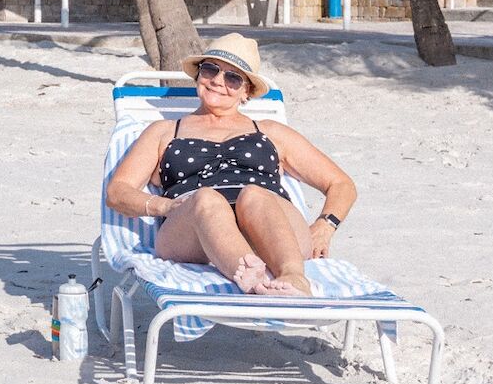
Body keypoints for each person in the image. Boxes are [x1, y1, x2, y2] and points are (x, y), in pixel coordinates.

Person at [104, 34, 355, 296]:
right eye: (210, 69)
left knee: (254, 195)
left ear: (246, 91)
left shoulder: (271, 132)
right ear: (198, 74)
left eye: (233, 78)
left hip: (271, 225)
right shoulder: (163, 132)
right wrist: (164, 206)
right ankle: (248, 273)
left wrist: (325, 226)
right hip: (194, 230)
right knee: (206, 199)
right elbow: (118, 191)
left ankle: (293, 276)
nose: (217, 81)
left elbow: (341, 183)